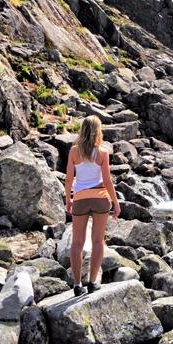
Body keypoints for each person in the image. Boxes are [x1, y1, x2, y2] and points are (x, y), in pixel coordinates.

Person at [65, 115, 121, 296]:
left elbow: (68, 179)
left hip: (80, 199)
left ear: (82, 130)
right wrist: (116, 202)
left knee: (77, 243)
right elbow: (107, 180)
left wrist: (68, 199)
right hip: (100, 198)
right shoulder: (103, 153)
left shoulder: (74, 151)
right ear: (98, 131)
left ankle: (76, 284)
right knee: (98, 241)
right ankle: (92, 282)